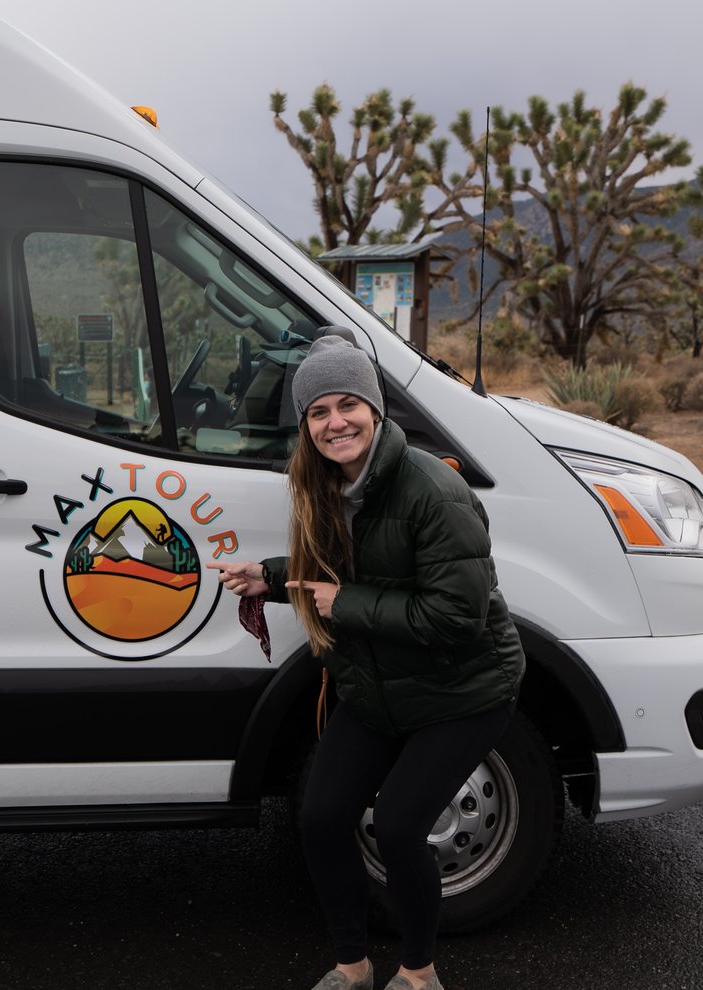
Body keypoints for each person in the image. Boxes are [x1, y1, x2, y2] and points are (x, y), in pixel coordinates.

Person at [210, 327, 524, 990]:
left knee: (402, 827)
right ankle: (352, 966)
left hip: (463, 690)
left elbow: (458, 617)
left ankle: (419, 974)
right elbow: (337, 572)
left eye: (348, 405)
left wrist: (345, 604)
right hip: (381, 682)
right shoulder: (325, 483)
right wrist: (269, 576)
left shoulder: (432, 491)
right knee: (322, 818)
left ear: (375, 410)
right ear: (306, 426)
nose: (335, 422)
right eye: (318, 412)